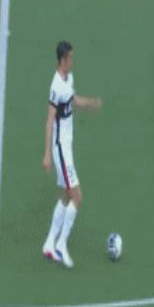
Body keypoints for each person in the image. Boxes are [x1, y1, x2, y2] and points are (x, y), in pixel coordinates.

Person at [42, 40, 101, 267]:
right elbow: (49, 120)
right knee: (77, 197)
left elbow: (73, 100)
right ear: (62, 59)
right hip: (60, 148)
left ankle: (49, 243)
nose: (73, 60)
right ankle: (61, 244)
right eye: (71, 58)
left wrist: (89, 104)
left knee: (66, 195)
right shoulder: (56, 86)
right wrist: (47, 154)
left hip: (66, 146)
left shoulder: (69, 79)